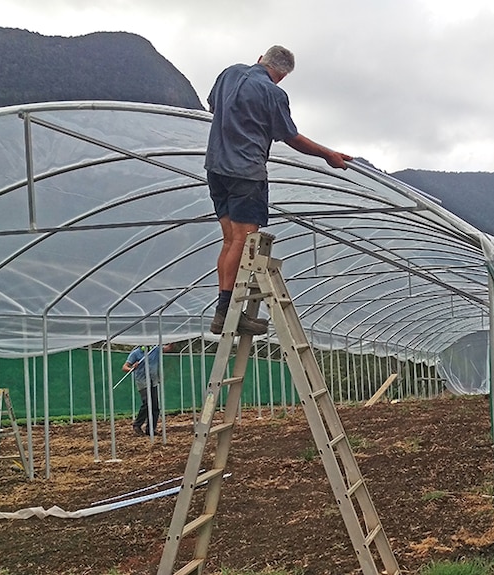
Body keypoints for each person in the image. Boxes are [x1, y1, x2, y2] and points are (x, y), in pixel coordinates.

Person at [205, 45, 352, 335]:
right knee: (244, 242)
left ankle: (223, 311)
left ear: (260, 58)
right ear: (282, 76)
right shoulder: (273, 93)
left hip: (216, 167)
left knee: (228, 241)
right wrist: (328, 155)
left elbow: (214, 106)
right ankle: (228, 314)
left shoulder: (229, 74)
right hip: (245, 173)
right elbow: (290, 137)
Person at [122, 343, 174, 436]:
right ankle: (137, 424)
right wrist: (132, 368)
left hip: (153, 381)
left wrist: (173, 339)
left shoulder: (155, 350)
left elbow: (168, 348)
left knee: (155, 407)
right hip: (142, 381)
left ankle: (150, 429)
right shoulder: (135, 353)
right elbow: (125, 367)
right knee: (147, 402)